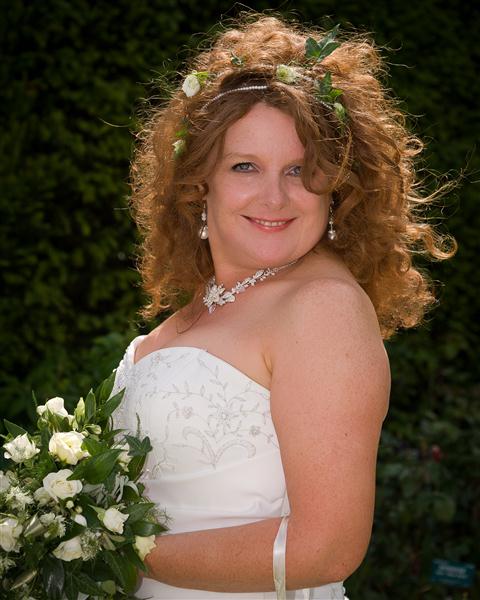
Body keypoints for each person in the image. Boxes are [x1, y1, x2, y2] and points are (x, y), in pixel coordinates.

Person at [111, 13, 456, 600]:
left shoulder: (322, 307)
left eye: (300, 171)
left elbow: (327, 547)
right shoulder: (213, 301)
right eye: (245, 166)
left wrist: (113, 554)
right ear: (199, 182)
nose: (274, 196)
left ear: (336, 189)